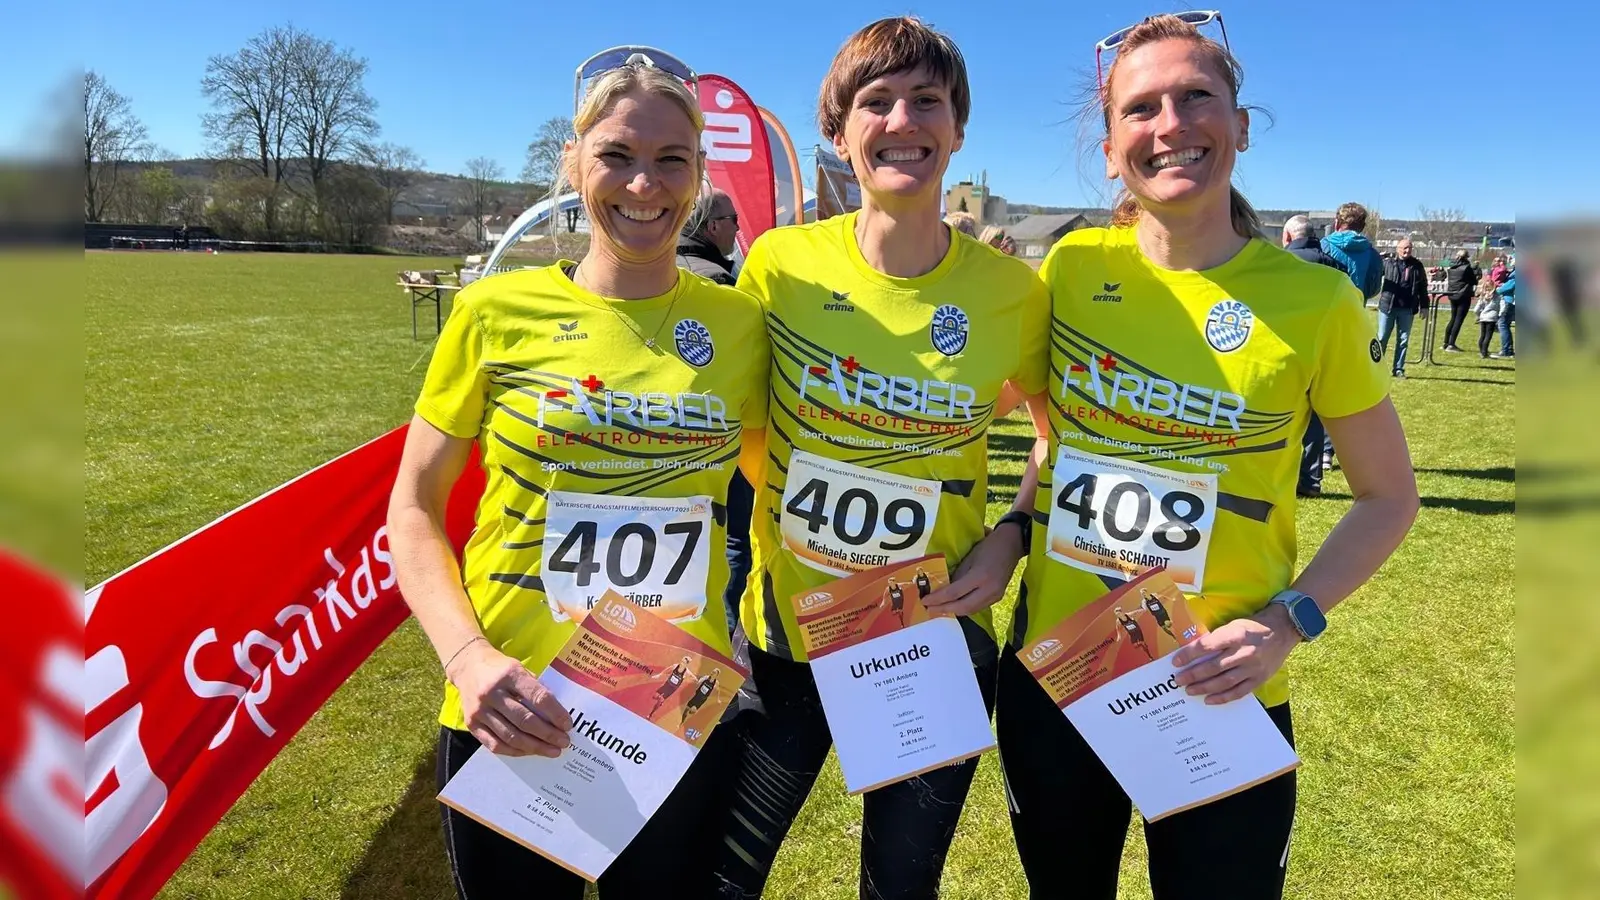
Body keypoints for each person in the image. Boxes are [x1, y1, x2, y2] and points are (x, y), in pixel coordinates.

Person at [1001, 15, 1419, 900]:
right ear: (1110, 150)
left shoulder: (1315, 302)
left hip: (1216, 685)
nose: (1171, 125)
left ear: (1240, 126)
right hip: (1060, 675)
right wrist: (1010, 526)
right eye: (1140, 108)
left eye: (1196, 97)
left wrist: (1286, 622)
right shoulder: (1070, 269)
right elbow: (1044, 431)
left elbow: (1388, 497)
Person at [386, 58, 769, 899]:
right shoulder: (493, 312)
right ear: (572, 161)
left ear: (699, 173)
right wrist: (468, 659)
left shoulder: (741, 323)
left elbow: (778, 482)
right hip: (513, 702)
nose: (644, 184)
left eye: (671, 159)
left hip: (669, 706)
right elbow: (411, 508)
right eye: (616, 155)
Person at [716, 16, 1051, 900]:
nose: (903, 121)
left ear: (958, 130)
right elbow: (730, 417)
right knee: (723, 879)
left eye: (926, 101)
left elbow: (1061, 432)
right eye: (877, 102)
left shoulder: (1013, 294)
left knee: (900, 891)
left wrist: (1014, 531)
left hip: (933, 638)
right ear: (839, 132)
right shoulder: (779, 266)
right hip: (786, 633)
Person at [1281, 214, 1347, 497]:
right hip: (1324, 349)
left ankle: (1280, 478)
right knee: (1316, 419)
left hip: (1286, 347)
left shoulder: (1279, 265)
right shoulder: (1336, 266)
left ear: (1287, 237)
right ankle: (1311, 479)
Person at [1376, 238, 1429, 377]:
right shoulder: (1388, 263)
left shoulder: (1417, 265)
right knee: (1382, 338)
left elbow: (1423, 286)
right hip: (1388, 307)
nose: (1407, 250)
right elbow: (1375, 275)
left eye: (1410, 248)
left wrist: (1424, 306)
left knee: (1403, 340)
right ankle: (1377, 368)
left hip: (1407, 308)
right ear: (1398, 249)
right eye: (1404, 248)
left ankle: (1398, 369)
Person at [1320, 202, 1384, 301]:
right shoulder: (1373, 255)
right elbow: (1373, 290)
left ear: (1337, 223)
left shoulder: (1322, 246)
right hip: (1355, 307)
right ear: (1362, 227)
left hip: (1325, 305)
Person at [677, 187, 739, 285]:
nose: (737, 228)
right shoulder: (716, 279)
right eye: (734, 219)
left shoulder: (659, 257)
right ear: (714, 226)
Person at [1442, 250, 1481, 352]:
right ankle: (1451, 344)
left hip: (1452, 294)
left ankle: (1445, 342)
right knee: (1458, 320)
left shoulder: (1451, 267)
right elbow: (1473, 281)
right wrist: (1475, 273)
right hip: (1463, 295)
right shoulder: (1466, 268)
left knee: (1453, 318)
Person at [1475, 276, 1502, 358]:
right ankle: (1484, 352)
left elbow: (1476, 309)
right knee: (1488, 336)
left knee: (1482, 335)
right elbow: (1501, 306)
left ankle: (1481, 351)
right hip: (1492, 318)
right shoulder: (1497, 296)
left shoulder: (1482, 296)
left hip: (1483, 317)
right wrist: (1500, 314)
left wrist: (1479, 315)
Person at [1494, 264, 1516, 358]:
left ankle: (1506, 350)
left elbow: (1510, 286)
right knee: (1505, 324)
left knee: (1502, 324)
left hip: (1509, 302)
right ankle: (1509, 349)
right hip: (1512, 302)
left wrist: (1498, 289)